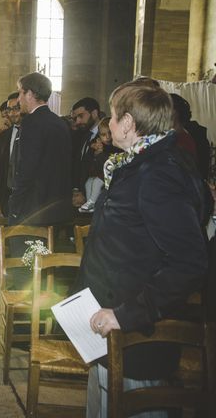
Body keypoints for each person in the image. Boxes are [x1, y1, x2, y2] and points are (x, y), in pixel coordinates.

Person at [78, 82, 209, 417]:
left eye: (113, 115)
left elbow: (189, 262)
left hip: (136, 336)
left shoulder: (158, 172)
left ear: (128, 123)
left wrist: (126, 313)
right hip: (111, 327)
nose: (108, 123)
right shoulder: (141, 162)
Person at [8, 72, 71, 226]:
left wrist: (15, 204)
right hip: (56, 207)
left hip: (33, 209)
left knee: (25, 250)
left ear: (30, 94)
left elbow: (27, 167)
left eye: (20, 93)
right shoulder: (60, 123)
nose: (19, 99)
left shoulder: (31, 122)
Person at [78, 117, 120, 213]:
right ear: (99, 136)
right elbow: (90, 150)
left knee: (96, 182)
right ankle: (90, 203)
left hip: (107, 176)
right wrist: (93, 147)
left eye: (110, 133)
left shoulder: (116, 146)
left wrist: (100, 154)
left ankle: (92, 201)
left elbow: (110, 163)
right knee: (88, 182)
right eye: (103, 135)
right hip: (97, 173)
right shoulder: (98, 143)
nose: (107, 137)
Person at [0, 92, 21, 217]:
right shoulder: (4, 136)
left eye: (16, 109)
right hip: (7, 196)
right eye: (9, 110)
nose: (12, 113)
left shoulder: (33, 132)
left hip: (29, 197)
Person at [70, 97, 102, 207]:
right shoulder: (83, 135)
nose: (77, 121)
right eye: (75, 118)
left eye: (81, 116)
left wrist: (86, 194)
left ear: (94, 113)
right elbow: (78, 165)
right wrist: (76, 190)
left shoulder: (108, 136)